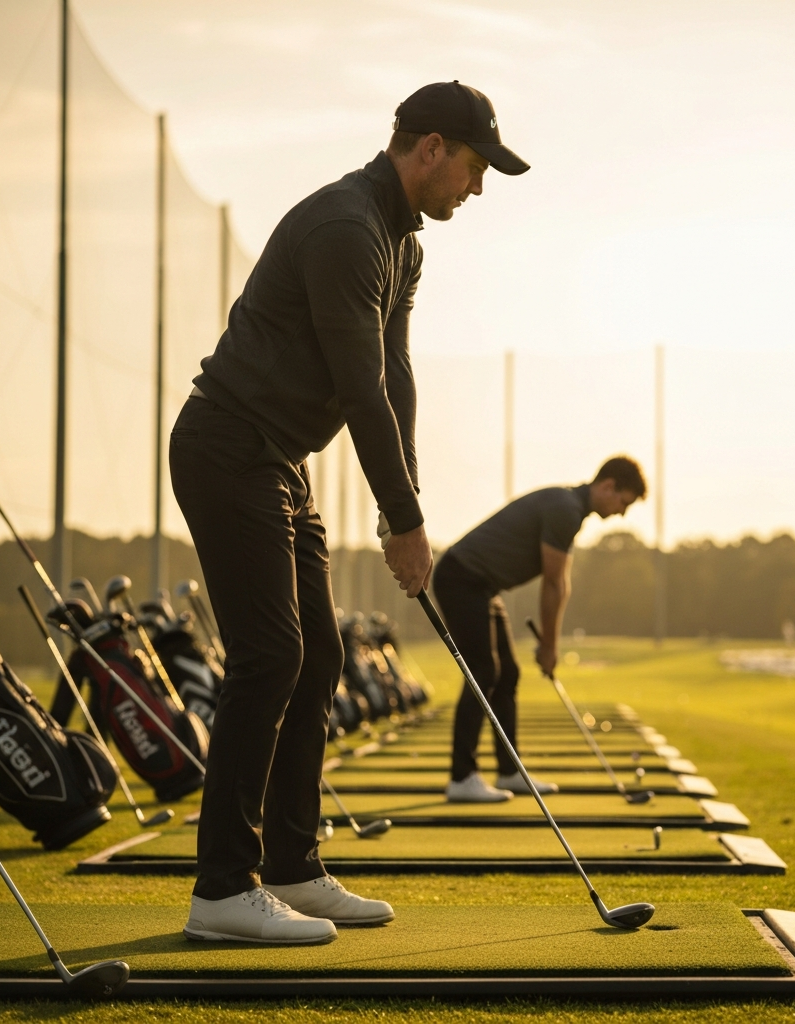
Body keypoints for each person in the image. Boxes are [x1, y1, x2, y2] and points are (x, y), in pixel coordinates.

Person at [169, 82, 529, 944]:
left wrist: (409, 504)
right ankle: (222, 887)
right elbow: (358, 388)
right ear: (432, 148)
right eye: (475, 169)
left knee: (320, 653)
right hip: (227, 449)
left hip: (277, 463)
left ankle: (294, 866)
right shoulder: (345, 229)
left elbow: (395, 379)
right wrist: (402, 522)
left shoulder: (403, 245)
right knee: (271, 656)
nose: (476, 189)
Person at [436, 457, 647, 802]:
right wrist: (549, 646)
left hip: (482, 586)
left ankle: (509, 771)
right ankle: (462, 777)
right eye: (623, 502)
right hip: (461, 579)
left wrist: (550, 644)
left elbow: (559, 584)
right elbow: (552, 583)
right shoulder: (564, 508)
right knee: (483, 671)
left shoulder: (570, 508)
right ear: (608, 486)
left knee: (508, 674)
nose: (622, 513)